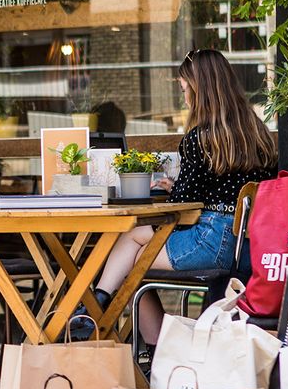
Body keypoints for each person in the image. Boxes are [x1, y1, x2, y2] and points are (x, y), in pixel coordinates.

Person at [86, 49, 276, 347]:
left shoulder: (199, 138)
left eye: (185, 89)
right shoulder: (258, 132)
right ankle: (112, 314)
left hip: (211, 242)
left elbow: (182, 204)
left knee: (128, 248)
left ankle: (102, 311)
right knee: (131, 260)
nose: (184, 98)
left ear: (200, 90)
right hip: (247, 245)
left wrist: (172, 189)